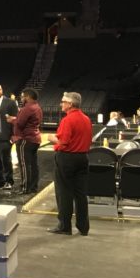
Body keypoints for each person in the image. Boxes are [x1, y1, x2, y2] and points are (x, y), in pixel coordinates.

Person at [44, 91, 92, 235]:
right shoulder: (86, 119)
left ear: (70, 104)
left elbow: (63, 143)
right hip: (82, 158)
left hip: (67, 159)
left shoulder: (68, 120)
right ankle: (83, 227)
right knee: (81, 194)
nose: (61, 104)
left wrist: (51, 138)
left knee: (64, 192)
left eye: (63, 101)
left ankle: (65, 226)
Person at [10, 88, 43, 195]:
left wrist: (12, 120)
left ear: (27, 97)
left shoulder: (27, 108)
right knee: (33, 164)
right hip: (35, 138)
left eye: (23, 96)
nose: (22, 98)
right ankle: (33, 187)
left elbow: (20, 123)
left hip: (26, 139)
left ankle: (25, 188)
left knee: (24, 164)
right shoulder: (37, 107)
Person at [0, 83, 18, 190]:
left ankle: (9, 181)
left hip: (5, 136)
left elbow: (16, 119)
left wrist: (14, 135)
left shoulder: (10, 102)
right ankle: (0, 180)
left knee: (6, 160)